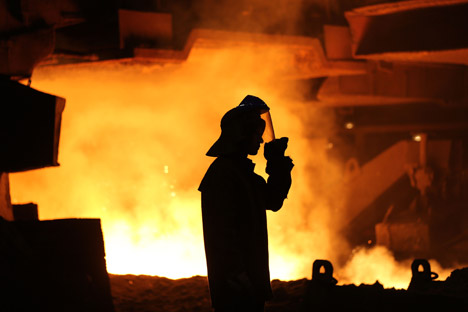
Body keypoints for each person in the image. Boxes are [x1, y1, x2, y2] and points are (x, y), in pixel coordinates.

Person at [199, 95, 293, 312]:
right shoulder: (223, 175)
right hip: (236, 288)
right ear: (241, 135)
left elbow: (273, 199)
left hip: (246, 283)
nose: (260, 141)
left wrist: (277, 164)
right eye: (256, 134)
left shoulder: (242, 174)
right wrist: (238, 277)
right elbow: (222, 235)